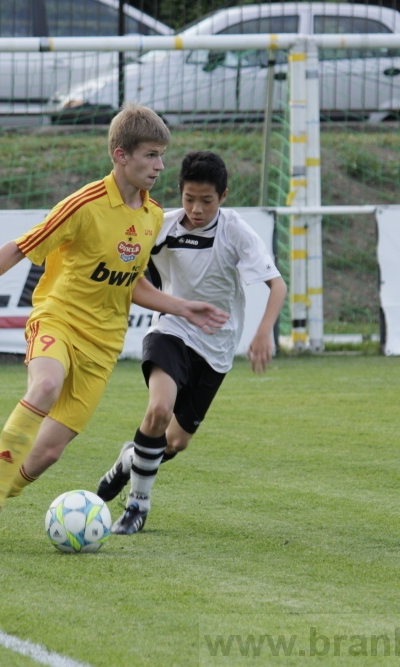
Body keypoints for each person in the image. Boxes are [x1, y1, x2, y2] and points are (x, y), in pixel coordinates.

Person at [0, 104, 230, 541]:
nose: (160, 166)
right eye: (150, 155)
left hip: (102, 346)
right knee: (45, 385)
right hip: (58, 319)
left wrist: (183, 306)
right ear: (121, 156)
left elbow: (131, 283)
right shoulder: (84, 205)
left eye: (162, 156)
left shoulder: (150, 216)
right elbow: (19, 247)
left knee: (46, 453)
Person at [95, 150, 287, 535]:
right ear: (179, 192)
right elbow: (130, 274)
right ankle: (137, 506)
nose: (196, 209)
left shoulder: (235, 231)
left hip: (217, 346)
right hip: (170, 330)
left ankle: (128, 461)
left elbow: (276, 284)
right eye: (189, 199)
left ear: (224, 196)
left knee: (175, 441)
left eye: (207, 201)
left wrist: (263, 331)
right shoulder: (159, 227)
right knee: (159, 409)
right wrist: (173, 305)